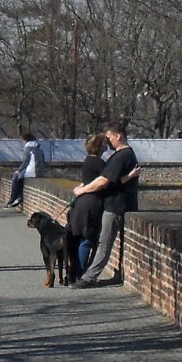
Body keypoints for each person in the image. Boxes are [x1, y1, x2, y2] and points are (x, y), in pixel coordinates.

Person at [69, 120, 141, 289]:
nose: (107, 141)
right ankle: (88, 274)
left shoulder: (123, 156)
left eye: (109, 137)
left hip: (116, 205)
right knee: (100, 241)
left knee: (104, 243)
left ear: (119, 136)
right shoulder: (121, 155)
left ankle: (89, 278)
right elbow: (112, 181)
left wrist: (82, 190)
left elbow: (102, 182)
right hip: (114, 203)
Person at [66, 133, 109, 280]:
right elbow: (105, 182)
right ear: (99, 146)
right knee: (87, 239)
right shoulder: (99, 163)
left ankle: (77, 271)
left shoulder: (88, 161)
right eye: (104, 142)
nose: (106, 144)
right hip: (91, 203)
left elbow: (87, 180)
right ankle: (81, 273)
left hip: (83, 202)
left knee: (81, 239)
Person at [6, 133, 45, 208]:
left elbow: (25, 162)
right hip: (39, 171)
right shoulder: (38, 148)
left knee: (15, 177)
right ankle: (19, 195)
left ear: (26, 140)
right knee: (20, 177)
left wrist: (19, 170)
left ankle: (14, 198)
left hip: (33, 172)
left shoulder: (28, 149)